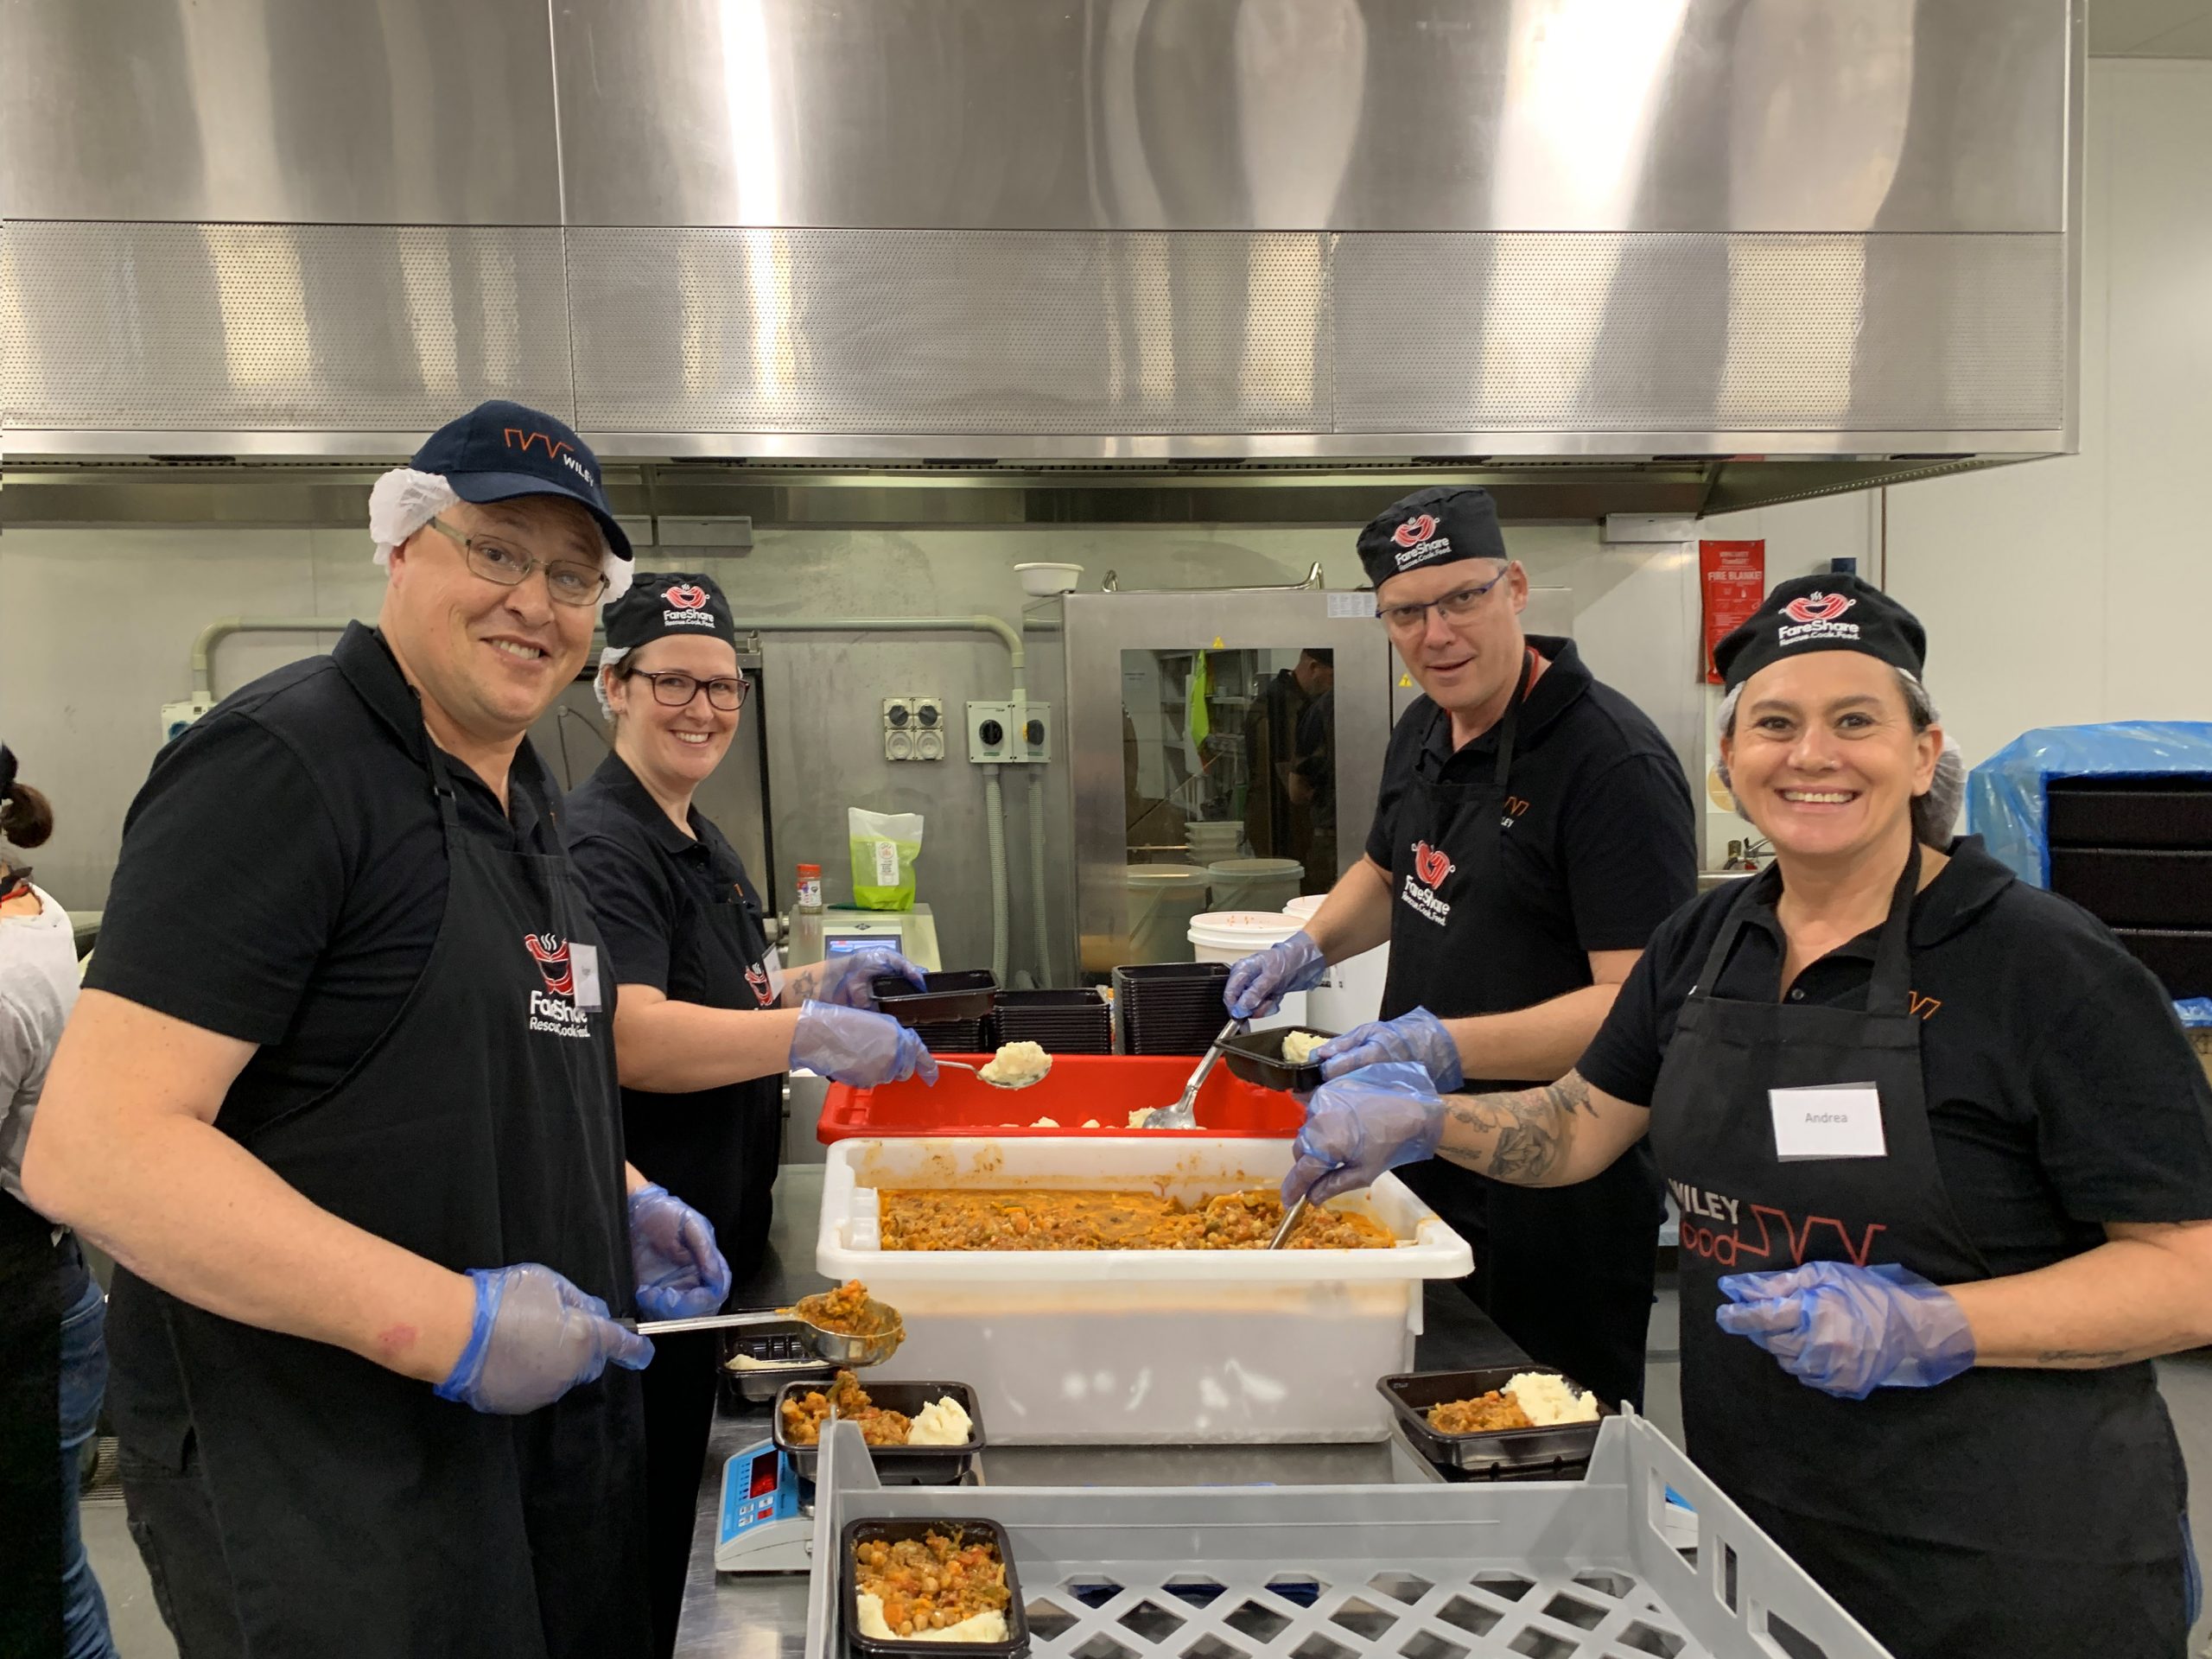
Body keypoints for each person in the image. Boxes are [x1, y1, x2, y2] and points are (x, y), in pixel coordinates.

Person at [1283, 574, 2212, 1659]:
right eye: (1774, 724)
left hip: (2007, 1555)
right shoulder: (1706, 940)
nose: (1810, 755)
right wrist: (1428, 1120)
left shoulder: (2046, 968)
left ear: (1922, 752)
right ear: (1729, 765)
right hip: (1755, 1522)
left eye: (1854, 721)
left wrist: (1942, 1327)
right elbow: (1583, 1121)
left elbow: (2189, 1268)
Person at [21, 401, 729, 1657]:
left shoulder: (523, 800)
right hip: (335, 1491)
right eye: (496, 550)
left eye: (573, 575)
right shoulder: (283, 767)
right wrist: (448, 1326)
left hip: (528, 1469)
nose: (535, 600)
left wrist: (610, 1189)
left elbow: (502, 1058)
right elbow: (97, 1149)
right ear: (404, 546)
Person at [1226, 486, 1694, 1409]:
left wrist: (1441, 1045)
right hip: (1421, 1151)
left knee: (1540, 1437)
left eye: (1462, 599)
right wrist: (1306, 947)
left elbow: (1635, 1005)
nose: (1436, 634)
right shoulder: (1424, 726)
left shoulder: (1610, 766)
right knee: (1420, 1410)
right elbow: (1387, 867)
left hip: (1558, 1188)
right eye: (1407, 612)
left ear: (1514, 587)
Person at [563, 569, 936, 1656]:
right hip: (648, 1246)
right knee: (646, 1525)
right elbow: (628, 1034)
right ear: (612, 688)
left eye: (723, 686)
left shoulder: (696, 837)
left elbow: (725, 995)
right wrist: (805, 1038)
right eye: (672, 682)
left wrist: (817, 987)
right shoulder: (602, 844)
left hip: (720, 1230)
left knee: (688, 1492)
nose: (703, 708)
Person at [0, 746, 118, 1658]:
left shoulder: (5, 968)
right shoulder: (25, 903)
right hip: (41, 1284)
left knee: (34, 1592)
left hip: (23, 1318)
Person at [1242, 647, 1332, 864]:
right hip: (1280, 824)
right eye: (1333, 676)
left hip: (1291, 821)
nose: (1335, 687)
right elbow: (1291, 783)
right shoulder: (1279, 707)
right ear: (1313, 668)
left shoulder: (1301, 701)